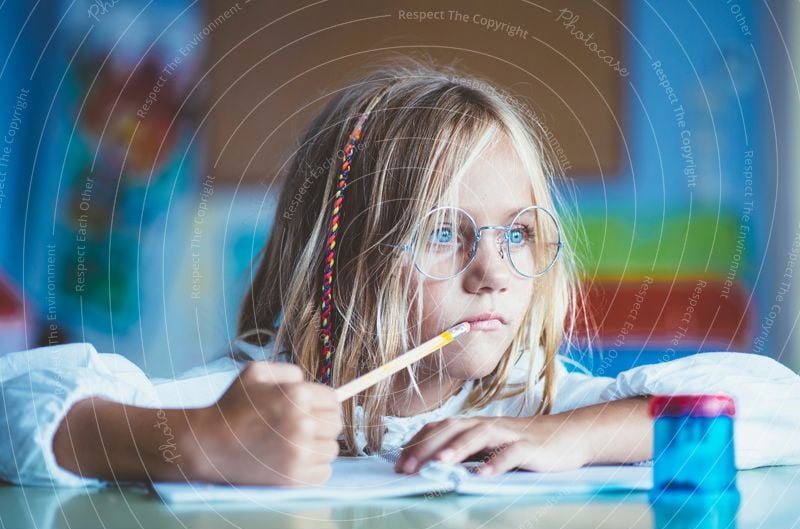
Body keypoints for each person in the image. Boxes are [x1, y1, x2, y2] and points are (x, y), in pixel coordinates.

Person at [2, 58, 799, 488]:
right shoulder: (246, 401)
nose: (494, 271)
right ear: (336, 264)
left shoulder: (536, 405)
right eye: (442, 233)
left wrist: (571, 436)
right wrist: (197, 442)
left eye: (520, 233)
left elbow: (780, 405)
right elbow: (15, 404)